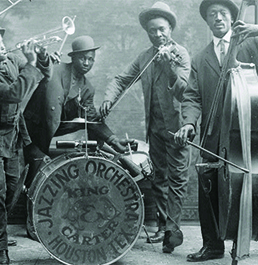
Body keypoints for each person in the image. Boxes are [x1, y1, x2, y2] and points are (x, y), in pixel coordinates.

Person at [174, 0, 258, 262]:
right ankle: (212, 245)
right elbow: (191, 96)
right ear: (207, 21)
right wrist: (189, 122)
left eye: (223, 13)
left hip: (255, 125)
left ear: (232, 17)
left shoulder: (254, 42)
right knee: (209, 183)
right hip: (217, 131)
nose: (218, 18)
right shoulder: (201, 58)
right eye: (212, 14)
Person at [100, 2, 191, 253]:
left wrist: (169, 66)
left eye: (162, 29)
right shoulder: (144, 57)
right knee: (159, 178)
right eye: (152, 31)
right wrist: (109, 97)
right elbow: (122, 79)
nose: (157, 35)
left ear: (170, 28)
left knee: (178, 179)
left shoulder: (180, 54)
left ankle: (172, 229)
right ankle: (162, 227)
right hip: (156, 130)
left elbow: (183, 89)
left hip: (179, 131)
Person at [0, 25, 53, 264]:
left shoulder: (12, 60)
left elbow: (45, 74)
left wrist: (42, 56)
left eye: (2, 42)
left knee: (11, 191)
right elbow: (14, 94)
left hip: (13, 136)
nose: (3, 46)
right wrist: (30, 63)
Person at [23, 35, 133, 185]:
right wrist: (43, 56)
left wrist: (113, 140)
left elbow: (92, 120)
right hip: (29, 134)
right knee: (22, 181)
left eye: (91, 59)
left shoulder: (88, 88)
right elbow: (41, 65)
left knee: (44, 184)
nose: (87, 63)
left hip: (51, 140)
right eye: (83, 58)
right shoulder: (55, 69)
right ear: (73, 57)